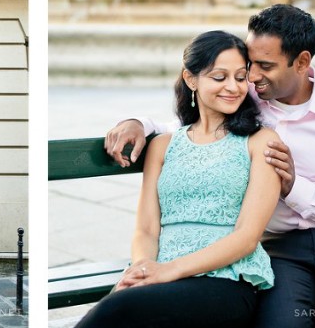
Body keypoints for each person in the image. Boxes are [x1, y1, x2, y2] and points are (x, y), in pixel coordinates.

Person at [104, 4, 315, 327]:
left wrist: (294, 188)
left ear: (301, 62)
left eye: (264, 65)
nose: (252, 77)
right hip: (279, 251)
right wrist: (138, 123)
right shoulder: (248, 96)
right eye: (249, 64)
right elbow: (193, 122)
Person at [77, 30, 282, 328]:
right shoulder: (162, 145)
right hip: (162, 272)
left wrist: (169, 271)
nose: (233, 87)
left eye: (240, 77)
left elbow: (247, 237)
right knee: (121, 305)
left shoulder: (260, 141)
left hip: (226, 279)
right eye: (219, 77)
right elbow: (146, 229)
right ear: (191, 79)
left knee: (116, 311)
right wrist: (143, 269)